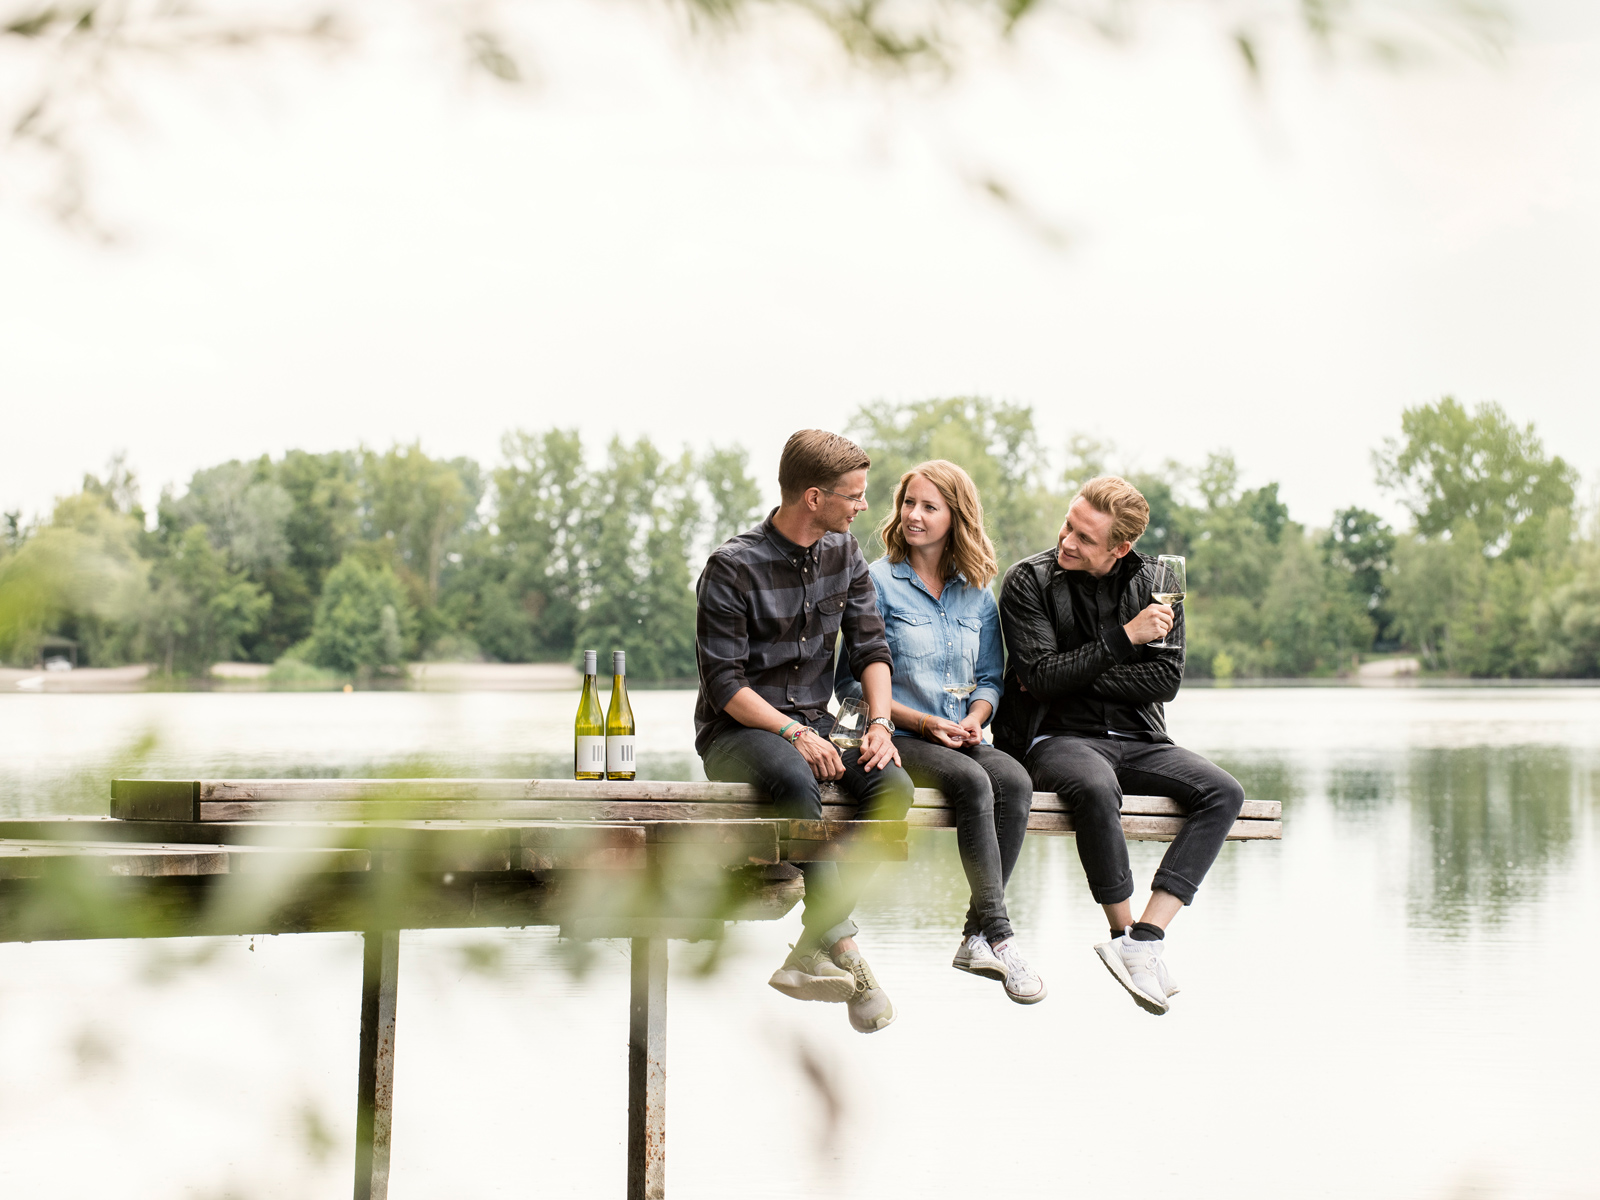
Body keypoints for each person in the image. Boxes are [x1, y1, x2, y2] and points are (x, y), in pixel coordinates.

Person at [993, 475, 1245, 1016]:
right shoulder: (1027, 582)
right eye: (1068, 524)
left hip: (1140, 737)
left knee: (1224, 792)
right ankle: (1120, 928)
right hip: (1054, 738)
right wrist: (1123, 639)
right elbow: (1038, 680)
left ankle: (1145, 939)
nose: (1067, 541)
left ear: (1120, 548)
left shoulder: (1159, 580)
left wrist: (1067, 671)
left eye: (1084, 538)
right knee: (1093, 784)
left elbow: (1165, 682)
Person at [694, 429, 915, 1034]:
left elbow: (871, 647)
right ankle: (844, 950)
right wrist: (794, 734)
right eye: (854, 495)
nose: (864, 506)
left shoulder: (845, 556)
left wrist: (879, 724)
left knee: (892, 787)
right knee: (797, 778)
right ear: (813, 497)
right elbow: (725, 686)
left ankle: (814, 945)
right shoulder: (731, 568)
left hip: (822, 724)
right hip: (737, 733)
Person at [836, 460, 1045, 1005]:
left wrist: (975, 720)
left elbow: (992, 680)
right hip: (897, 736)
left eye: (929, 506)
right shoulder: (875, 581)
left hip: (961, 734)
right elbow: (850, 685)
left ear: (956, 517)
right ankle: (998, 935)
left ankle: (975, 934)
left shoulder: (977, 592)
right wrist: (925, 722)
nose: (914, 516)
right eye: (909, 503)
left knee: (1016, 782)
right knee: (974, 786)